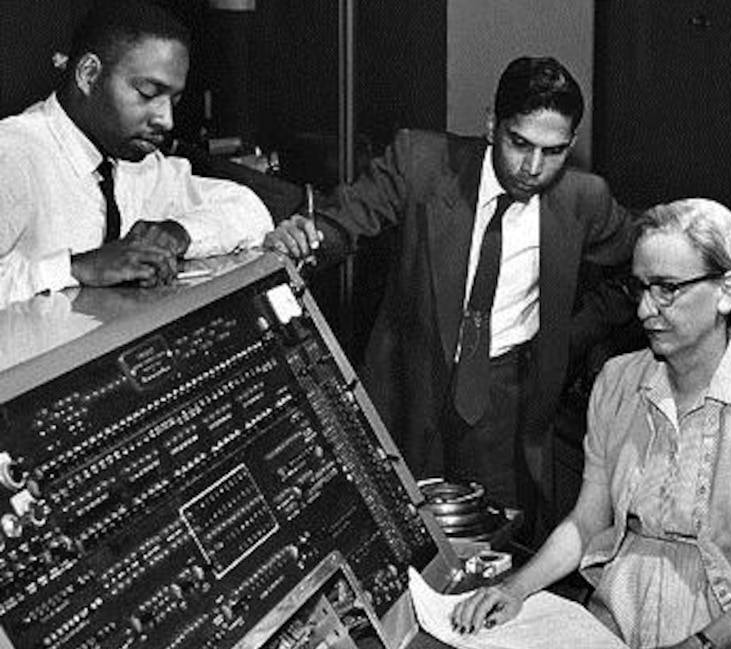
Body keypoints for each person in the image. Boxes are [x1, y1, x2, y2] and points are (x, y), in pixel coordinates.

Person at [450, 198, 731, 649]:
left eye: (668, 288)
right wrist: (514, 588)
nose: (647, 309)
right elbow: (587, 520)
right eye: (642, 288)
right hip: (616, 624)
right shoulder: (618, 382)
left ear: (726, 291)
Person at [266, 56, 637, 540]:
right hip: (413, 387)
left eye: (554, 151)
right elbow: (348, 220)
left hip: (509, 403)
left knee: (497, 548)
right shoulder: (420, 161)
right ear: (491, 124)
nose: (533, 167)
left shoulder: (584, 198)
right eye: (519, 143)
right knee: (398, 539)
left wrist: (566, 337)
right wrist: (310, 239)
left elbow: (639, 267)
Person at [0, 1, 307, 309]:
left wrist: (179, 234)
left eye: (174, 100)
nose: (166, 120)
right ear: (89, 74)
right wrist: (75, 268)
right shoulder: (12, 154)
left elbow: (247, 209)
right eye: (148, 93)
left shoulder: (139, 164)